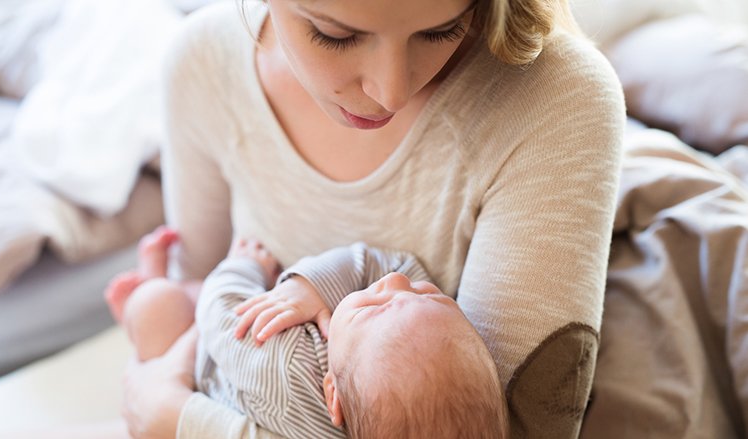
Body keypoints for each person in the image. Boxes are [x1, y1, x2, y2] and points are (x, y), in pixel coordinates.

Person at [120, 0, 625, 436]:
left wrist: (176, 420)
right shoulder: (201, 64)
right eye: (335, 34)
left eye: (439, 30)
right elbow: (198, 319)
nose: (390, 92)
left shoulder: (556, 100)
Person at [106, 227, 508, 439]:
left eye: (371, 306)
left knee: (158, 307)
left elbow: (223, 314)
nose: (398, 282)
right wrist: (312, 285)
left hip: (210, 368)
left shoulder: (289, 372)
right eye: (433, 295)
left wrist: (245, 266)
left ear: (331, 393)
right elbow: (391, 264)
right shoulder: (375, 366)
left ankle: (147, 291)